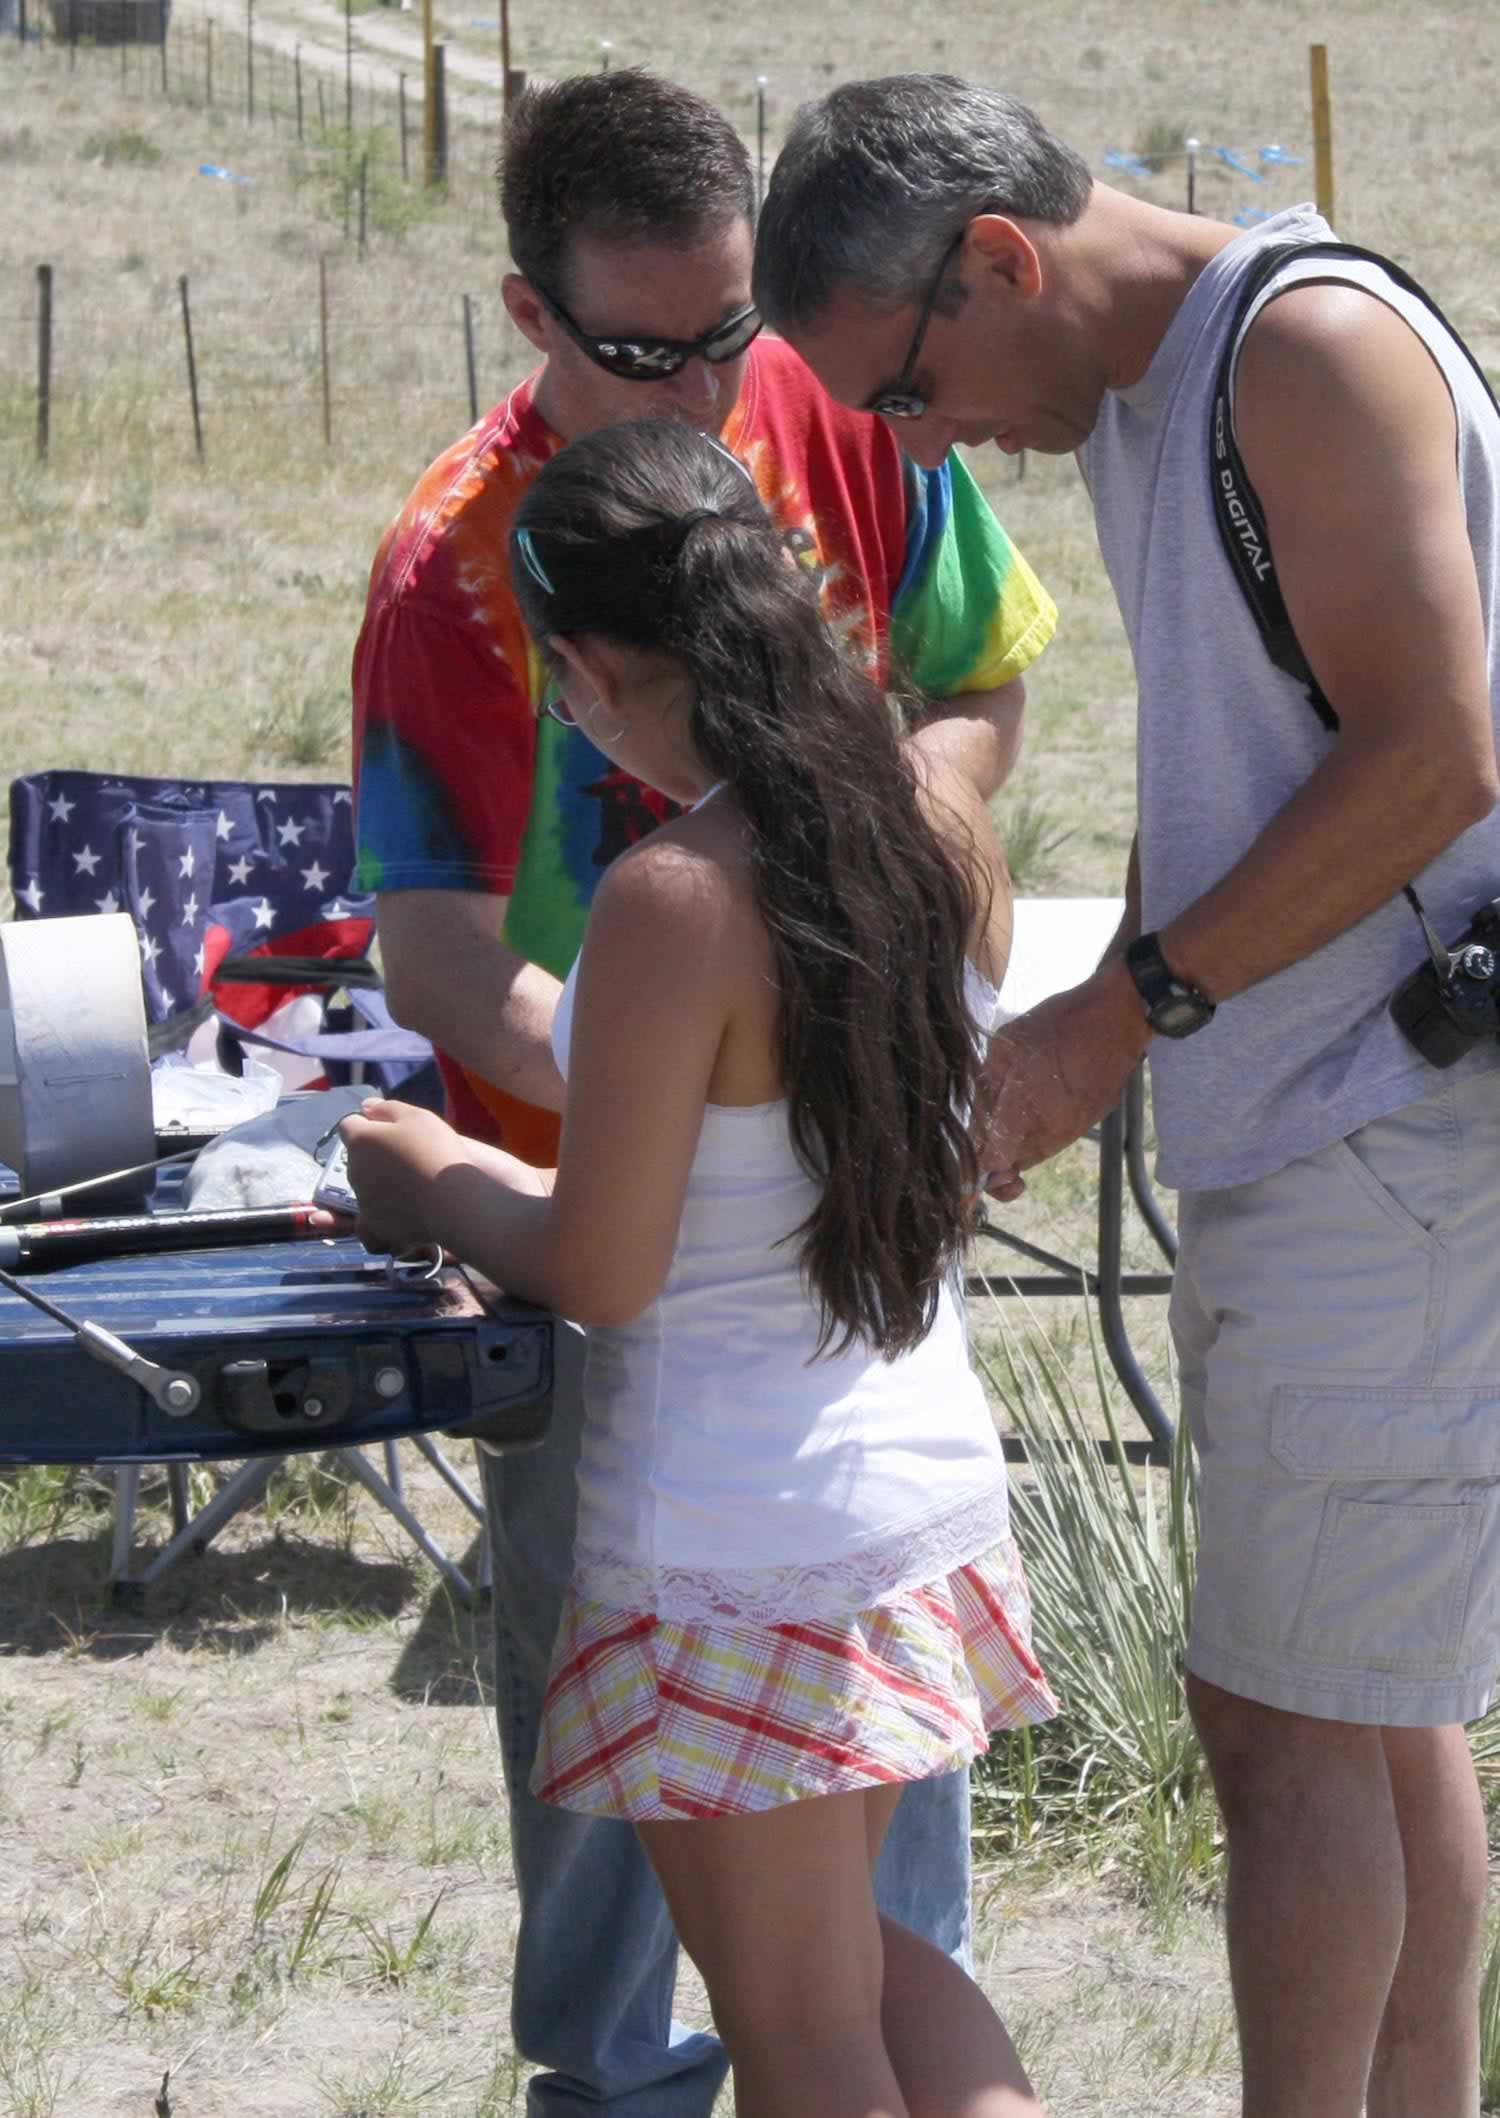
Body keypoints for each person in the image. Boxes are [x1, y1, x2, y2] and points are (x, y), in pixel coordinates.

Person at [751, 72, 1500, 2118]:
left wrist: (1122, 1015)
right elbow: (1254, 767)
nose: (922, 446)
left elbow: (1436, 757)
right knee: (1372, 1710)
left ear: (999, 259)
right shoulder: (1158, 396)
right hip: (1336, 1130)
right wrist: (1110, 1021)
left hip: (1391, 1139)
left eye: (907, 390)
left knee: (1279, 1726)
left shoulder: (1303, 356)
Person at [350, 67, 1057, 2117]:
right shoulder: (452, 574)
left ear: (592, 679)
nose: (707, 385)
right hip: (906, 1463)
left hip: (718, 1501)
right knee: (887, 1969)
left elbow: (606, 1258)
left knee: (797, 2018)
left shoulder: (672, 899)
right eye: (643, 349)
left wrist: (439, 1174)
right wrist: (799, 975)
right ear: (530, 310)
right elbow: (446, 940)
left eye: (726, 333)